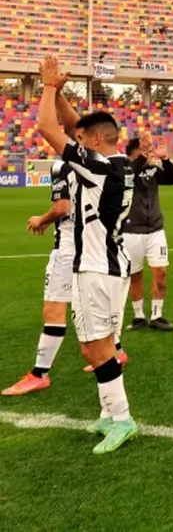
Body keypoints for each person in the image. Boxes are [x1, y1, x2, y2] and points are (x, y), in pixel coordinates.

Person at [34, 56, 138, 453]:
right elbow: (77, 127)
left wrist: (47, 87)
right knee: (95, 346)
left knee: (97, 348)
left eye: (82, 138)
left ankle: (122, 419)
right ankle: (110, 414)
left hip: (96, 267)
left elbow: (47, 128)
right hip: (110, 264)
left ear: (94, 142)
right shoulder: (117, 162)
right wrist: (61, 93)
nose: (76, 140)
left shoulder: (99, 168)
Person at [2, 155, 76, 396]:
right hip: (97, 249)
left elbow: (63, 207)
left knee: (53, 311)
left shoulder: (63, 167)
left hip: (67, 251)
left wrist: (41, 219)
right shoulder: (99, 164)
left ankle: (39, 374)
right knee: (94, 310)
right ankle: (116, 354)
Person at [123, 134, 173, 331]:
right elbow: (131, 173)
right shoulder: (125, 168)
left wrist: (165, 159)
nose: (150, 151)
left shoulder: (151, 168)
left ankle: (157, 315)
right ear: (134, 153)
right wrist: (143, 157)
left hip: (155, 229)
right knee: (134, 275)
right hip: (131, 231)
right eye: (145, 148)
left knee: (161, 272)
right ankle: (138, 316)